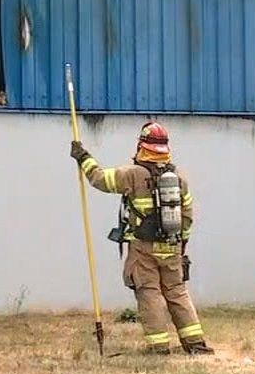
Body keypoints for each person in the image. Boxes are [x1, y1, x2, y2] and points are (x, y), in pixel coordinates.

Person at [70, 122, 213, 355]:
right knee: (177, 292)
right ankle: (195, 343)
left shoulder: (133, 175)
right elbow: (187, 215)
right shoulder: (178, 177)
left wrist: (82, 156)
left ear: (141, 146)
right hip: (173, 245)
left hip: (144, 248)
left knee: (149, 293)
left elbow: (98, 179)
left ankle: (159, 346)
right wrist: (181, 244)